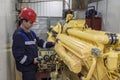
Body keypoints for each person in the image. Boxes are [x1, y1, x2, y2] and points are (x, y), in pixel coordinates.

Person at [12, 8, 55, 80]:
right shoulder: (19, 35)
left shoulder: (31, 33)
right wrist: (32, 60)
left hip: (32, 67)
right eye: (31, 22)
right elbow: (19, 56)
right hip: (26, 69)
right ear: (24, 21)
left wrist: (52, 43)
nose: (32, 25)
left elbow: (40, 42)